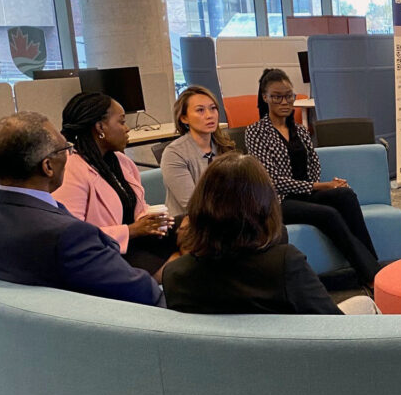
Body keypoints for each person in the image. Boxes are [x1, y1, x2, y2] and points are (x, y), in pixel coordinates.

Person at [0, 112, 163, 306]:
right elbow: (144, 293)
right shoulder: (69, 235)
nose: (70, 155)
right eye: (66, 149)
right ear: (47, 167)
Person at [163, 153, 377, 315]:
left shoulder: (174, 274)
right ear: (264, 205)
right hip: (294, 364)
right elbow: (334, 327)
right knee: (366, 305)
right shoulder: (285, 264)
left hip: (218, 369)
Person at [245, 68, 379, 288]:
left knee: (345, 195)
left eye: (289, 96)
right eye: (277, 96)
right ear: (265, 97)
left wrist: (322, 186)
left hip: (304, 193)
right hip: (277, 201)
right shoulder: (256, 132)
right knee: (328, 214)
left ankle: (372, 266)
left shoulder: (300, 130)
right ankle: (372, 277)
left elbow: (314, 164)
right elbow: (271, 179)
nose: (285, 101)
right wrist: (318, 185)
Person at [54, 92, 177, 278]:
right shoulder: (72, 170)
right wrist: (131, 231)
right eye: (121, 122)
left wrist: (152, 221)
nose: (127, 129)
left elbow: (138, 207)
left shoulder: (121, 161)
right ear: (100, 127)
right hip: (107, 254)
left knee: (192, 228)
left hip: (137, 242)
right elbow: (72, 238)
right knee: (186, 262)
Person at [161, 85, 236, 216]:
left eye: (213, 109)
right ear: (184, 118)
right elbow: (192, 205)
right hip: (189, 223)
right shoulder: (174, 153)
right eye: (200, 110)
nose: (209, 115)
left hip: (224, 217)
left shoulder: (224, 146)